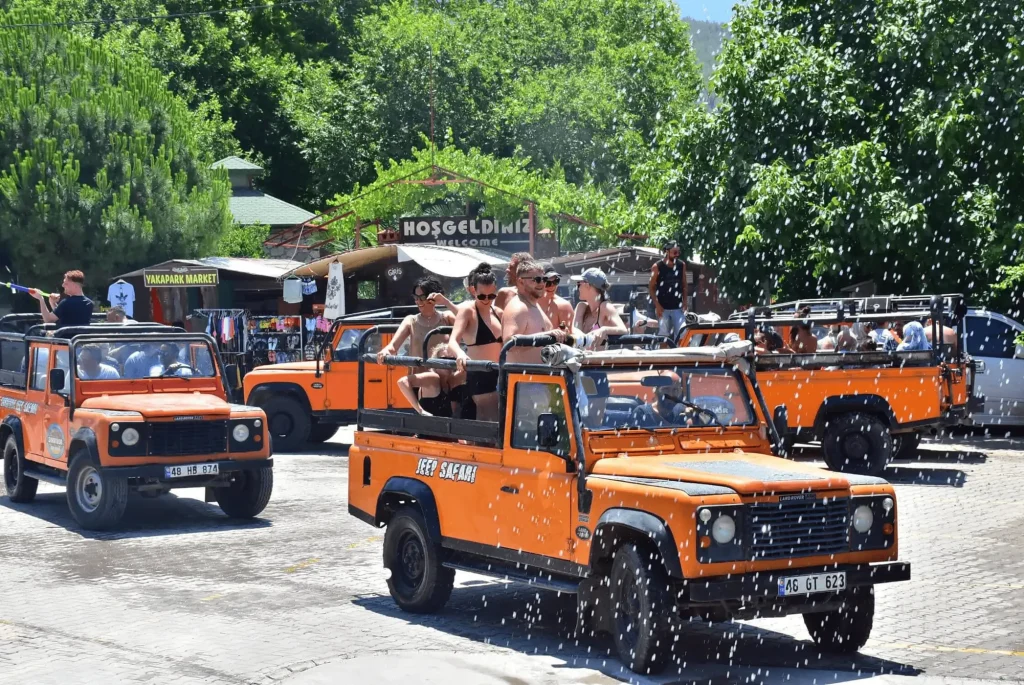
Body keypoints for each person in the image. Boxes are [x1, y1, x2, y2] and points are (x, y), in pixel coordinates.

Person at [447, 263, 503, 421]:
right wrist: (460, 354)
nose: (487, 300)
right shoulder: (467, 311)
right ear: (473, 290)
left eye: (491, 296)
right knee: (490, 419)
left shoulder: (498, 312)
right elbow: (453, 341)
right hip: (480, 374)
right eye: (482, 296)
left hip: (500, 372)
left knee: (503, 420)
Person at [377, 276, 456, 371]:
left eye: (422, 297)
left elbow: (467, 321)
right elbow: (393, 346)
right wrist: (386, 351)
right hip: (417, 377)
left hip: (444, 376)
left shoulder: (447, 317)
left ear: (433, 297)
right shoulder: (410, 320)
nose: (418, 301)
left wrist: (445, 302)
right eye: (416, 297)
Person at [501, 257, 568, 363]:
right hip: (522, 373)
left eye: (544, 279)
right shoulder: (519, 308)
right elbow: (509, 342)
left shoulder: (534, 305)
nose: (542, 284)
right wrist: (547, 335)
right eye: (537, 280)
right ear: (521, 282)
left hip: (539, 372)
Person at [396, 343, 465, 417]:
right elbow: (402, 382)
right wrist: (420, 410)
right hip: (427, 423)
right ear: (435, 361)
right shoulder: (433, 378)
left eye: (452, 360)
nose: (448, 363)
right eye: (444, 359)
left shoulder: (449, 380)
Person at [572, 268, 627, 349]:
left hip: (599, 357)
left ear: (587, 285)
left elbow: (623, 330)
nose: (577, 288)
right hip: (581, 356)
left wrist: (604, 330)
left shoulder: (605, 307)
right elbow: (574, 333)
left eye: (578, 284)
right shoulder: (581, 307)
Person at [649, 241, 687, 342]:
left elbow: (684, 284)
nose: (677, 255)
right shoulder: (657, 267)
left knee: (683, 332)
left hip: (677, 307)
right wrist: (657, 305)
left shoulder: (681, 265)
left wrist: (685, 301)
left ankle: (680, 351)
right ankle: (664, 352)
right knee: (663, 336)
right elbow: (651, 287)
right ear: (667, 251)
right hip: (663, 307)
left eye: (678, 252)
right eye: (674, 252)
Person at [539, 263, 574, 331]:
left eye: (556, 281)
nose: (552, 286)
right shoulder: (529, 303)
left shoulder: (563, 306)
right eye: (548, 283)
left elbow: (569, 334)